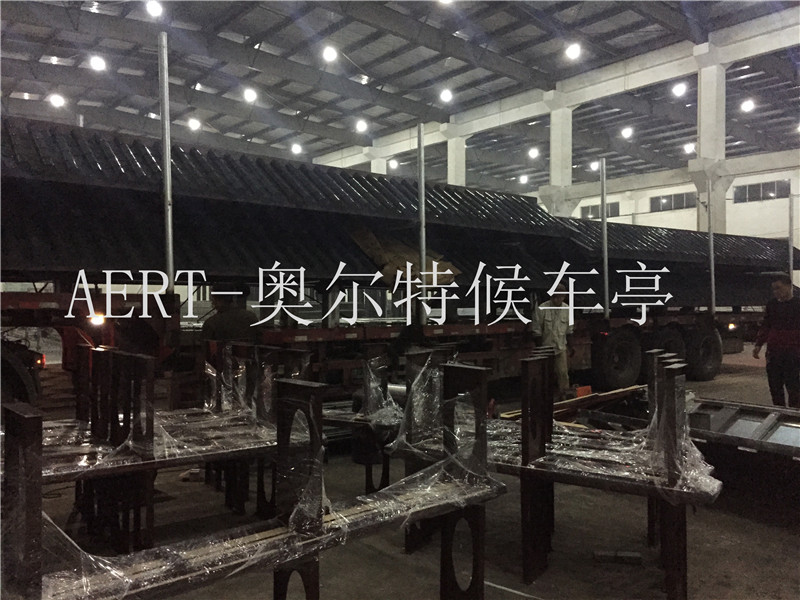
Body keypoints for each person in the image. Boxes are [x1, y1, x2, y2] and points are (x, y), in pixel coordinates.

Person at [752, 273, 800, 409]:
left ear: (789, 286)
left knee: (793, 386)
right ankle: (778, 411)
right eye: (774, 289)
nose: (776, 292)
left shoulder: (798, 304)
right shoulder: (772, 305)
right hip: (774, 352)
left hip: (792, 352)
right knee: (774, 385)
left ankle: (794, 413)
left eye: (778, 288)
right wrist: (758, 344)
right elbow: (766, 325)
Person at [532, 283, 573, 399]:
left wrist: (571, 347)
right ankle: (545, 397)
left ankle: (563, 396)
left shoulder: (567, 310)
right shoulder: (542, 309)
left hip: (560, 348)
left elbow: (569, 331)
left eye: (559, 297)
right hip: (546, 348)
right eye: (554, 296)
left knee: (563, 373)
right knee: (545, 375)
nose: (556, 299)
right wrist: (540, 350)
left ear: (564, 297)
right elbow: (537, 331)